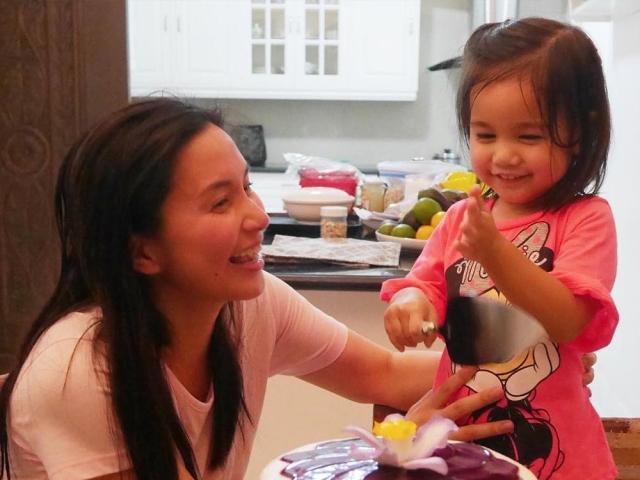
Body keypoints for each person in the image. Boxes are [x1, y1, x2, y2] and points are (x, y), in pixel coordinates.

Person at [0, 98, 519, 480]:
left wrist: (530, 363)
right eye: (220, 202)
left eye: (246, 186)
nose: (257, 217)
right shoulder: (80, 371)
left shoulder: (248, 306)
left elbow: (383, 374)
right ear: (142, 252)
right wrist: (379, 457)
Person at [381, 17, 618, 480]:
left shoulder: (585, 218)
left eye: (529, 136)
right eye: (485, 135)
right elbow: (425, 285)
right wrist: (409, 302)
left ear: (580, 134)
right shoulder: (460, 218)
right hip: (462, 448)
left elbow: (570, 321)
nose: (504, 155)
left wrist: (495, 254)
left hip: (560, 459)